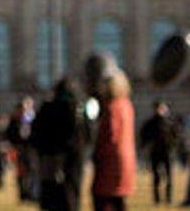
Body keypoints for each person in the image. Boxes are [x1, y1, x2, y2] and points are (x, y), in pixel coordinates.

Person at [31, 79, 82, 211]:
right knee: (70, 195)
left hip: (50, 161)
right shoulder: (77, 110)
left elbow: (35, 136)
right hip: (72, 162)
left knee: (51, 195)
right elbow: (85, 137)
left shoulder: (47, 109)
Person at [91, 69, 136, 211]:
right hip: (126, 160)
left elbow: (111, 136)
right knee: (118, 199)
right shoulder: (127, 105)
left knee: (104, 199)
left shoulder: (112, 107)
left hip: (111, 160)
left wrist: (97, 154)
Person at [142, 100, 180, 205]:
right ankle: (157, 200)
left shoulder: (170, 123)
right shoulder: (150, 124)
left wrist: (172, 146)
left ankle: (169, 199)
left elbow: (176, 137)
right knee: (156, 177)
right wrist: (147, 149)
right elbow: (144, 138)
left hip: (168, 153)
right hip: (155, 153)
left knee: (169, 177)